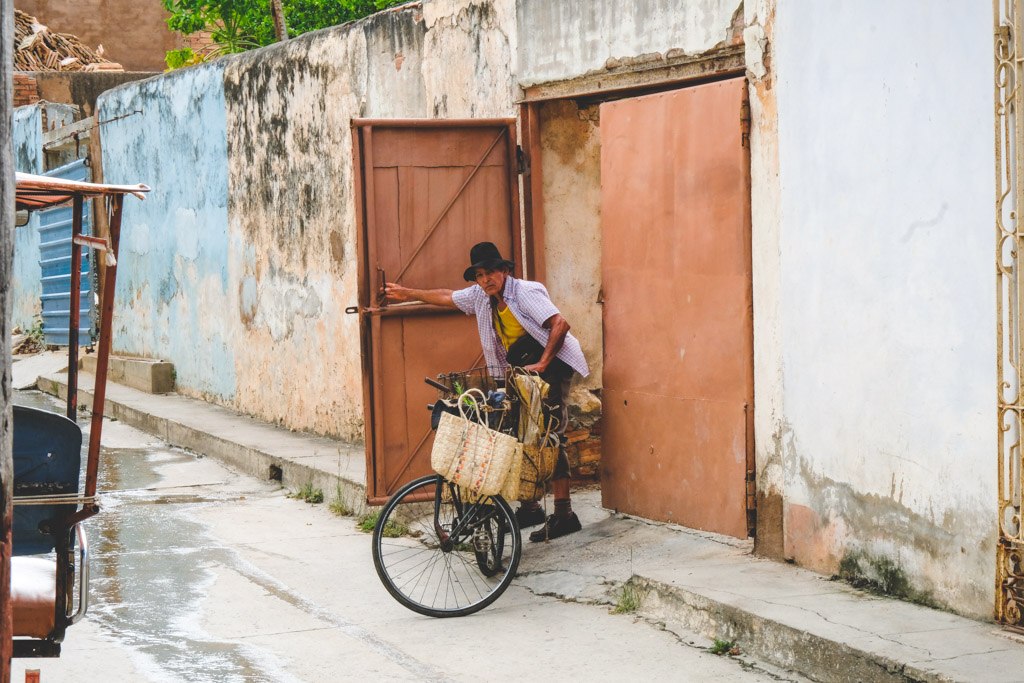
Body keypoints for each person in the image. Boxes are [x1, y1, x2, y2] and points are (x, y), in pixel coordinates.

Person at [384, 241, 590, 541]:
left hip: (552, 365)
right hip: (517, 371)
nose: (485, 280)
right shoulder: (481, 296)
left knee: (548, 434)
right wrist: (407, 293)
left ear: (504, 271)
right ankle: (530, 507)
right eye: (479, 275)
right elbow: (446, 297)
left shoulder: (524, 292)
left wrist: (544, 363)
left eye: (491, 272)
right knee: (515, 433)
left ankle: (564, 514)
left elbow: (560, 323)